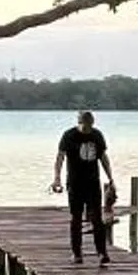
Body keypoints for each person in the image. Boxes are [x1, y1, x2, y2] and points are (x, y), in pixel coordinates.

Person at [51, 109, 113, 262]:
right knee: (76, 218)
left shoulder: (97, 135)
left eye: (89, 127)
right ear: (79, 123)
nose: (87, 130)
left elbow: (103, 157)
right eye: (84, 127)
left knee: (97, 218)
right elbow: (60, 157)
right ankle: (77, 253)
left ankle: (102, 253)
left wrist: (111, 177)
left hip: (92, 182)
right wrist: (57, 178)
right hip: (75, 182)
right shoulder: (69, 136)